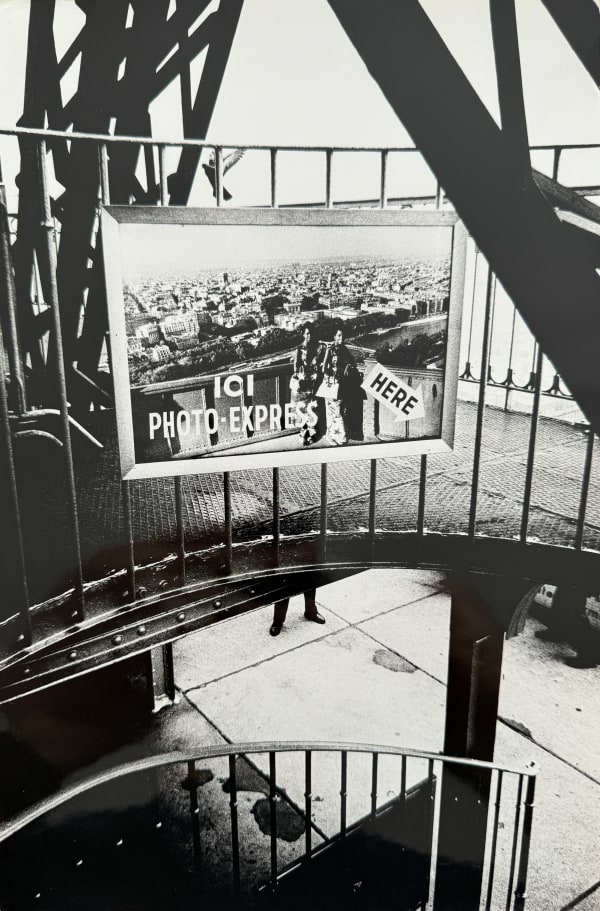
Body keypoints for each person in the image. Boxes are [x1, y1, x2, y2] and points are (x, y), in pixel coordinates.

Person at [320, 324, 359, 446]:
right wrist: (331, 376)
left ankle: (333, 434)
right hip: (331, 384)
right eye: (339, 335)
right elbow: (324, 368)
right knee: (333, 411)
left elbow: (351, 363)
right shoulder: (330, 349)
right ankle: (336, 435)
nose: (341, 338)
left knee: (337, 411)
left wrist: (346, 369)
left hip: (341, 384)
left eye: (342, 335)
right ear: (334, 336)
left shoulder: (343, 349)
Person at [290, 322, 323, 445]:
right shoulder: (299, 349)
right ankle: (304, 430)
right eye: (307, 334)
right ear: (303, 335)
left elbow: (320, 364)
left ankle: (311, 431)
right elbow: (296, 367)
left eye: (310, 334)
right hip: (303, 382)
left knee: (312, 407)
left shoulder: (318, 348)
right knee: (302, 406)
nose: (309, 336)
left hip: (314, 382)